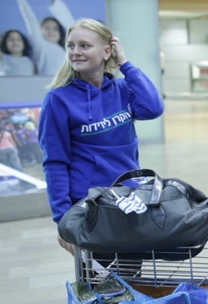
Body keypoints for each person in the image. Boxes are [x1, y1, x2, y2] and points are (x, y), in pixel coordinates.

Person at [38, 18, 164, 256]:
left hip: (129, 198)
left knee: (132, 272)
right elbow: (55, 162)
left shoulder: (122, 89)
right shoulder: (58, 99)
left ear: (107, 51)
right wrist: (63, 219)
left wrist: (125, 64)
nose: (75, 52)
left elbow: (153, 108)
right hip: (89, 207)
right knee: (102, 281)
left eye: (84, 46)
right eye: (71, 46)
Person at [17, 0, 73, 75]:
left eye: (55, 29)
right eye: (47, 28)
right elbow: (30, 20)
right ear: (40, 32)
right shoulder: (42, 46)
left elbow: (73, 27)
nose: (51, 31)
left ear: (60, 34)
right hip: (46, 82)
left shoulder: (66, 52)